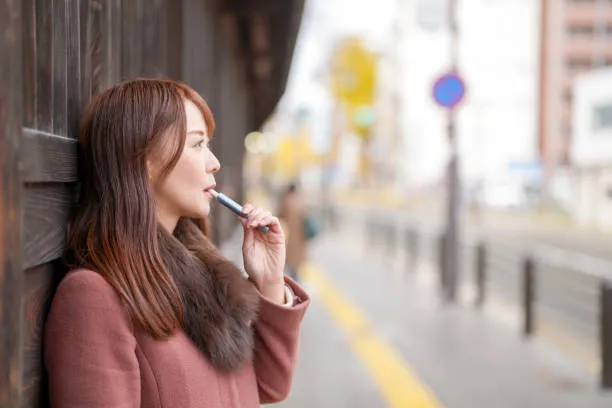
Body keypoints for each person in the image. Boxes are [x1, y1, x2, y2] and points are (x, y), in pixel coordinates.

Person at [44, 78, 310, 408]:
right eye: (197, 145)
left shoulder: (204, 273)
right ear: (143, 158)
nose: (213, 162)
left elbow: (269, 386)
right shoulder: (94, 296)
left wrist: (269, 281)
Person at [278, 182, 308, 282]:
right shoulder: (301, 200)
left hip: (291, 236)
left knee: (290, 261)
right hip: (301, 237)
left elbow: (279, 215)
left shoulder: (286, 200)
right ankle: (295, 279)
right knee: (296, 262)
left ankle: (293, 280)